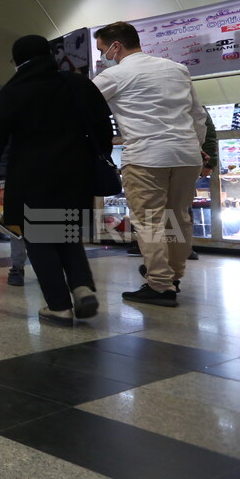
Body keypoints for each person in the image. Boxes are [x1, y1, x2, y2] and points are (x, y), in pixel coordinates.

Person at [0, 35, 114, 325]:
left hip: (32, 175)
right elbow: (103, 126)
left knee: (39, 237)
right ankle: (82, 286)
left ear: (18, 60)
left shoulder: (14, 90)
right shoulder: (76, 83)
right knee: (65, 231)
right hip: (75, 173)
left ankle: (59, 305)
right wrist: (92, 157)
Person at [93, 21, 208, 306]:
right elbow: (197, 115)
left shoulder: (114, 75)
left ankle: (159, 284)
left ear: (116, 46)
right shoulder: (177, 69)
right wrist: (198, 145)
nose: (102, 56)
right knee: (179, 217)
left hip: (146, 157)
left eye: (103, 49)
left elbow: (83, 108)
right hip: (186, 155)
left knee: (151, 221)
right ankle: (174, 276)